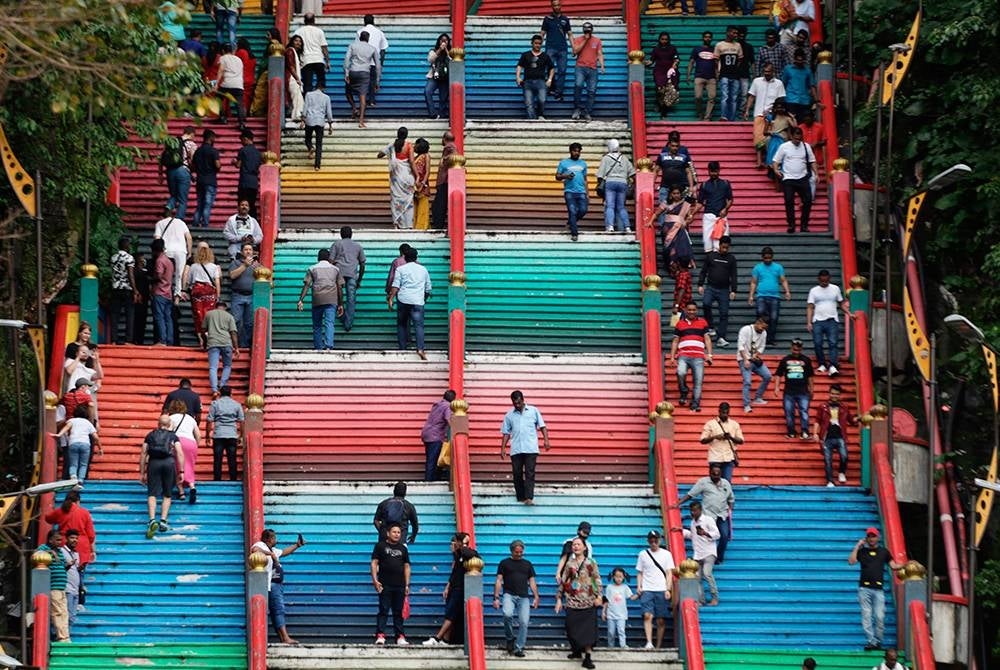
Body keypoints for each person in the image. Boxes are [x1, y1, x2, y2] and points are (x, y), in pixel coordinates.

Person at [847, 528, 904, 651]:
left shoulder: (884, 552)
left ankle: (877, 641)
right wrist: (857, 546)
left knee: (879, 616)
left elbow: (893, 566)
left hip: (878, 589)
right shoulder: (862, 552)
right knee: (866, 615)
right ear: (866, 538)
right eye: (869, 536)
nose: (872, 539)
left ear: (878, 537)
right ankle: (871, 641)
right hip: (864, 588)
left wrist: (906, 565)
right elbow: (851, 561)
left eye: (874, 536)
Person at [423, 532, 479, 646]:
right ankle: (446, 640)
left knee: (451, 614)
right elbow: (454, 574)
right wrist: (447, 587)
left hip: (461, 589)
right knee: (450, 613)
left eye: (454, 542)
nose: (451, 545)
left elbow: (472, 554)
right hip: (454, 588)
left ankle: (437, 638)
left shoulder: (467, 554)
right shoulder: (457, 557)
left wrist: (462, 545)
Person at [250, 529, 305, 645]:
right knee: (278, 610)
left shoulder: (273, 550)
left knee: (277, 611)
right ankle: (285, 638)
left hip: (276, 586)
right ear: (268, 539)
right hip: (270, 585)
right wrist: (270, 555)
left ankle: (283, 638)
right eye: (274, 538)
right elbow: (255, 550)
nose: (276, 540)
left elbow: (285, 552)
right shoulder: (260, 545)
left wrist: (297, 545)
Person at [556, 537, 602, 669]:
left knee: (588, 632)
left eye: (578, 544)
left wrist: (599, 596)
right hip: (572, 601)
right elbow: (564, 582)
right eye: (574, 545)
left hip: (588, 602)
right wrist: (559, 599)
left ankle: (587, 657)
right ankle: (576, 651)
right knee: (571, 628)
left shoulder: (591, 562)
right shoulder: (569, 564)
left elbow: (597, 579)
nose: (575, 547)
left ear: (584, 547)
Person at [674, 464, 735, 563]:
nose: (716, 476)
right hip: (708, 515)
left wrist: (730, 510)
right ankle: (704, 557)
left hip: (722, 515)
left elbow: (731, 499)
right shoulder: (703, 482)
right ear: (709, 473)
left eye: (718, 474)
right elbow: (691, 494)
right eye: (714, 474)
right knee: (705, 536)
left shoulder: (726, 483)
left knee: (724, 536)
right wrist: (678, 503)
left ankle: (719, 558)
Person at [500, 390, 551, 505]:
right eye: (514, 403)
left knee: (530, 473)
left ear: (523, 400)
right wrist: (503, 448)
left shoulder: (533, 411)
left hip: (530, 448)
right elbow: (506, 433)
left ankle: (529, 498)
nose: (517, 405)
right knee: (517, 473)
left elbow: (542, 426)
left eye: (518, 402)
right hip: (516, 449)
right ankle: (520, 496)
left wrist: (546, 440)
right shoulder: (509, 415)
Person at [140, 414, 185, 538]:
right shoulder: (173, 436)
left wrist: (142, 472)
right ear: (169, 424)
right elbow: (180, 453)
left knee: (152, 493)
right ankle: (163, 520)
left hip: (153, 463)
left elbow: (143, 453)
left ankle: (152, 519)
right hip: (169, 463)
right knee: (167, 493)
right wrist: (181, 471)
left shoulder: (150, 435)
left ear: (158, 424)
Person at [494, 539, 540, 657]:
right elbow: (499, 580)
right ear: (511, 551)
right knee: (507, 614)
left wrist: (536, 596)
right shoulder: (504, 563)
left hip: (524, 597)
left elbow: (532, 581)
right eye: (516, 552)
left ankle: (519, 647)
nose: (519, 554)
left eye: (521, 552)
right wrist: (496, 597)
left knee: (524, 622)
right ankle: (510, 639)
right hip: (509, 594)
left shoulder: (527, 564)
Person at [43, 491, 96, 587]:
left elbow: (48, 518)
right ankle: (78, 596)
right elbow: (91, 535)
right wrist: (89, 546)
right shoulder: (84, 513)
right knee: (79, 576)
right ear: (78, 501)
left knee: (64, 573)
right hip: (82, 548)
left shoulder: (60, 511)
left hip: (64, 546)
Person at [388, 246, 431, 360]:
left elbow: (396, 285)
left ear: (405, 258)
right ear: (416, 258)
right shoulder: (423, 269)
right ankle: (420, 349)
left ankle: (402, 349)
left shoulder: (401, 269)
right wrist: (423, 299)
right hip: (417, 301)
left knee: (402, 324)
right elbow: (428, 288)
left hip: (403, 300)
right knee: (419, 326)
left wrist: (391, 299)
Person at [669, 301, 714, 412]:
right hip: (683, 355)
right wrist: (672, 357)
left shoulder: (703, 322)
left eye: (694, 310)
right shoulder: (680, 324)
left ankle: (695, 403)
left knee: (698, 381)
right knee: (680, 373)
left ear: (697, 310)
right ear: (685, 310)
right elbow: (675, 341)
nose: (691, 312)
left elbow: (707, 339)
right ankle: (684, 391)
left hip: (698, 356)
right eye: (689, 310)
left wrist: (709, 355)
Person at [297, 249, 345, 351]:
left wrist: (301, 299)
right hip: (331, 299)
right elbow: (340, 287)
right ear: (328, 258)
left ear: (318, 258)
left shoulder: (312, 268)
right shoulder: (336, 269)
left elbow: (307, 285)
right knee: (329, 323)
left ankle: (318, 347)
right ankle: (328, 346)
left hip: (317, 299)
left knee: (317, 325)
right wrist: (341, 304)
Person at [371, 523, 411, 645]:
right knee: (383, 610)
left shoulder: (403, 549)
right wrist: (375, 580)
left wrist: (407, 584)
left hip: (399, 585)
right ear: (388, 533)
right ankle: (380, 635)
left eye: (399, 532)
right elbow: (374, 563)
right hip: (385, 584)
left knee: (398, 612)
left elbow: (407, 566)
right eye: (394, 532)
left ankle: (400, 636)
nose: (397, 534)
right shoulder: (380, 546)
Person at [634, 529, 673, 650]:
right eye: (651, 540)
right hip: (647, 589)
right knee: (647, 615)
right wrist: (639, 586)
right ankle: (649, 642)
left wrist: (668, 589)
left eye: (655, 540)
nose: (653, 543)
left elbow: (669, 573)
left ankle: (658, 645)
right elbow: (640, 572)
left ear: (659, 540)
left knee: (660, 619)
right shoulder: (643, 554)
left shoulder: (666, 554)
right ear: (648, 541)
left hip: (661, 589)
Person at [807, 269, 851, 375]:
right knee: (817, 343)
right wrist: (808, 322)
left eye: (826, 281)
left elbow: (841, 304)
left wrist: (849, 313)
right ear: (818, 279)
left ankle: (833, 365)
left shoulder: (835, 289)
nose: (824, 283)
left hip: (832, 320)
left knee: (833, 343)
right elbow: (810, 307)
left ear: (829, 279)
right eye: (822, 281)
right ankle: (822, 363)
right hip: (818, 320)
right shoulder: (814, 291)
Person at [773, 126, 816, 234]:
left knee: (808, 201)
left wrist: (816, 173)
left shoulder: (806, 147)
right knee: (788, 201)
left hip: (803, 178)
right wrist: (776, 170)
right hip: (788, 179)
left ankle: (804, 225)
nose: (797, 140)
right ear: (791, 136)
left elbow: (812, 161)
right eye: (795, 138)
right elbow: (776, 161)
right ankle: (791, 224)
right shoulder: (784, 147)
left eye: (799, 139)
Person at [813, 384, 857, 487]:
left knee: (844, 456)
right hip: (827, 436)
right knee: (828, 460)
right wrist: (815, 433)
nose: (834, 396)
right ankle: (830, 480)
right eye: (832, 393)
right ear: (829, 393)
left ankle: (842, 471)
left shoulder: (844, 407)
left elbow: (851, 420)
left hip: (840, 436)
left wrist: (859, 419)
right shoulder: (822, 407)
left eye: (836, 394)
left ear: (839, 395)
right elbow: (817, 421)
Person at [698, 233, 738, 346]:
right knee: (706, 304)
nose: (725, 249)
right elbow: (704, 271)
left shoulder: (731, 259)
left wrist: (734, 290)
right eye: (723, 247)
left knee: (724, 313)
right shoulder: (711, 256)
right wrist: (700, 284)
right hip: (711, 287)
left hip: (724, 290)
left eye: (727, 247)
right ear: (719, 245)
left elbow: (734, 275)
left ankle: (721, 337)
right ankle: (710, 327)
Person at [678, 501, 721, 605]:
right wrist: (680, 530)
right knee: (696, 578)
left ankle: (714, 597)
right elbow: (692, 535)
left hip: (709, 552)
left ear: (700, 510)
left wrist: (705, 533)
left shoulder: (708, 520)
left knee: (707, 574)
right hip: (698, 554)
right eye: (691, 511)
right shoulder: (693, 523)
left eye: (695, 510)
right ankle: (700, 600)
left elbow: (717, 534)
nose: (693, 513)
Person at [744, 63, 786, 168]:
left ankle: (769, 160)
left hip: (772, 115)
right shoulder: (756, 82)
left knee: (770, 138)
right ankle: (759, 162)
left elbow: (781, 99)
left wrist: (774, 110)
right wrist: (747, 110)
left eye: (769, 72)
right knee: (758, 137)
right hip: (758, 114)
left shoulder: (779, 83)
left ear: (773, 72)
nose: (766, 74)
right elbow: (751, 96)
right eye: (765, 72)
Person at [748, 246, 791, 346]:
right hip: (761, 295)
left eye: (769, 258)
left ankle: (770, 339)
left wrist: (787, 291)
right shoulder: (757, 268)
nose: (768, 260)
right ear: (762, 257)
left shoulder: (778, 267)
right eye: (765, 258)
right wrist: (751, 295)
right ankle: (758, 337)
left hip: (775, 296)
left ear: (772, 257)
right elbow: (754, 282)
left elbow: (783, 280)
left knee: (774, 318)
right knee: (760, 313)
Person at [183, 241, 222, 349]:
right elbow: (217, 282)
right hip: (209, 292)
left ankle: (201, 339)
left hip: (197, 292)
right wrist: (218, 296)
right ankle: (209, 335)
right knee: (209, 315)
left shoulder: (194, 266)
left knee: (198, 315)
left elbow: (189, 281)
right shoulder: (214, 267)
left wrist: (184, 290)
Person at [329, 226, 367, 333]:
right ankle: (348, 324)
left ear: (341, 234)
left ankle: (341, 316)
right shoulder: (358, 246)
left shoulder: (336, 244)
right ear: (351, 234)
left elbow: (330, 261)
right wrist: (359, 279)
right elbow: (363, 264)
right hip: (352, 274)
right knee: (351, 299)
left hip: (338, 273)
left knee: (337, 297)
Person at [378, 128, 417, 228]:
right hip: (406, 176)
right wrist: (417, 176)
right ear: (406, 135)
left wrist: (388, 150)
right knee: (408, 201)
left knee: (396, 200)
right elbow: (412, 162)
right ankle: (408, 225)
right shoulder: (409, 146)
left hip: (396, 178)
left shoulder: (392, 145)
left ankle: (397, 224)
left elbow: (379, 155)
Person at [776, 338, 815, 439]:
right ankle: (791, 432)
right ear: (791, 348)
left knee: (804, 411)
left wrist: (811, 389)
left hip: (803, 391)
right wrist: (776, 387)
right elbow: (778, 374)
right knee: (789, 412)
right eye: (794, 349)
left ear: (801, 349)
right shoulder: (785, 360)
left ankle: (805, 431)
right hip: (789, 392)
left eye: (798, 350)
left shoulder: (806, 360)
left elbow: (810, 376)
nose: (795, 352)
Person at [158, 125, 197, 222]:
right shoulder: (191, 144)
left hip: (170, 171)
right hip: (183, 171)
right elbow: (192, 159)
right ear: (192, 134)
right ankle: (179, 221)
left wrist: (160, 174)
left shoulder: (173, 142)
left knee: (173, 194)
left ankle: (169, 206)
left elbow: (162, 157)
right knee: (183, 199)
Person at [153, 205, 192, 300]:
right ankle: (177, 296)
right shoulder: (181, 223)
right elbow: (189, 237)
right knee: (179, 273)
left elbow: (157, 238)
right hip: (180, 250)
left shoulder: (160, 223)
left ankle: (166, 292)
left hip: (166, 250)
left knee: (167, 272)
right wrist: (189, 251)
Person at [596, 139, 634, 233]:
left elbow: (600, 175)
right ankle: (627, 227)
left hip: (610, 183)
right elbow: (632, 173)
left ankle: (610, 226)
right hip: (622, 183)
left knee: (610, 206)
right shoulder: (624, 158)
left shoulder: (606, 158)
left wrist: (600, 187)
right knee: (621, 207)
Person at [206, 385, 244, 481]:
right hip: (232, 434)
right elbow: (241, 421)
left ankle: (217, 480)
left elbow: (209, 421)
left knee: (217, 459)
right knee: (232, 459)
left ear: (220, 394)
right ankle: (233, 480)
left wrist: (207, 436)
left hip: (218, 435)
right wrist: (241, 436)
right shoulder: (237, 405)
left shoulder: (215, 404)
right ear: (231, 394)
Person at [54, 405, 101, 483]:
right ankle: (80, 479)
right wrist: (100, 448)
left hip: (73, 443)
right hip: (85, 444)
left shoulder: (72, 420)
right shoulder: (88, 423)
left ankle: (73, 477)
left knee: (73, 463)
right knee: (83, 464)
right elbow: (96, 437)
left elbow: (66, 427)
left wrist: (59, 434)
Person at [695, 162, 733, 255]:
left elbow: (730, 200)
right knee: (707, 241)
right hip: (708, 216)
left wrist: (725, 209)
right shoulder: (704, 185)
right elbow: (700, 203)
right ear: (708, 171)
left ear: (719, 171)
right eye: (712, 172)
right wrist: (692, 214)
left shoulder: (725, 184)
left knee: (722, 241)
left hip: (721, 217)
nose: (714, 174)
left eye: (715, 171)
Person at [38, 529, 70, 642]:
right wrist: (50, 552)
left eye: (61, 540)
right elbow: (36, 555)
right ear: (50, 540)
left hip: (62, 586)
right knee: (57, 612)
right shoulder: (44, 548)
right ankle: (61, 637)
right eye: (57, 540)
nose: (60, 542)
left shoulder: (60, 551)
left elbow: (60, 566)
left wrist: (68, 565)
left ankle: (66, 636)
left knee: (64, 612)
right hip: (53, 586)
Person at [344, 30, 381, 128]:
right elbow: (378, 65)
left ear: (360, 37)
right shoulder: (372, 48)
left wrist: (346, 74)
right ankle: (361, 121)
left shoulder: (352, 46)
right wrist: (377, 80)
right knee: (363, 97)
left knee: (348, 92)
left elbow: (347, 59)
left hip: (353, 71)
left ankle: (354, 108)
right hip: (365, 73)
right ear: (368, 39)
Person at [700, 402, 743, 482]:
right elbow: (702, 440)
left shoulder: (734, 424)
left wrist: (730, 437)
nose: (725, 415)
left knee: (727, 482)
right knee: (714, 482)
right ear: (719, 411)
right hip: (715, 457)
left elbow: (741, 441)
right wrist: (715, 437)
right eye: (723, 412)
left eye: (727, 413)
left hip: (729, 458)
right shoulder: (710, 424)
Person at [167, 398, 201, 502]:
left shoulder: (171, 418)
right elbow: (198, 435)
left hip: (178, 442)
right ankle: (192, 486)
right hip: (191, 443)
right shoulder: (191, 418)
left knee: (177, 467)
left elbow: (168, 433)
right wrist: (196, 445)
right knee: (189, 466)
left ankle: (181, 492)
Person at [737, 316, 772, 413]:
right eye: (762, 327)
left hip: (755, 359)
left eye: (765, 328)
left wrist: (756, 355)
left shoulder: (764, 333)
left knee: (767, 376)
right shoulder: (746, 330)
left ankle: (758, 397)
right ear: (758, 322)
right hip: (743, 358)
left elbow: (761, 347)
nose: (762, 330)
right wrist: (745, 359)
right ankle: (746, 404)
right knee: (747, 381)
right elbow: (740, 346)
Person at [203, 302, 239, 397]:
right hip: (226, 343)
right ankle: (222, 386)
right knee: (227, 366)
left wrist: (204, 343)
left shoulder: (209, 314)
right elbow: (233, 333)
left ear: (216, 307)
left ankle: (214, 390)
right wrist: (236, 348)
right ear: (225, 308)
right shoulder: (229, 316)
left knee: (213, 367)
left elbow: (203, 330)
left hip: (213, 342)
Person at [516, 35, 555, 120]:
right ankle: (532, 120)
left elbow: (551, 68)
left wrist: (550, 79)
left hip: (540, 82)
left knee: (542, 99)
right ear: (532, 43)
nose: (538, 45)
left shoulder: (545, 56)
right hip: (527, 82)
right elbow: (519, 66)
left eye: (539, 44)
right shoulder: (525, 55)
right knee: (529, 103)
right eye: (536, 43)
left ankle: (540, 115)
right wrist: (518, 77)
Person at [571, 22, 604, 122]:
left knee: (592, 91)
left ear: (592, 30)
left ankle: (587, 112)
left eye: (589, 29)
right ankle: (577, 109)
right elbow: (575, 51)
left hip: (593, 69)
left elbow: (599, 53)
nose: (587, 31)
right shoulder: (578, 39)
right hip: (580, 67)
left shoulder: (597, 40)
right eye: (585, 29)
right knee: (578, 85)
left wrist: (602, 65)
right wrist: (585, 40)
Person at [540, 0, 572, 101]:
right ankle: (552, 88)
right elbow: (542, 34)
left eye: (558, 5)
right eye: (554, 5)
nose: (557, 7)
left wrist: (574, 48)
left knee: (562, 71)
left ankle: (558, 93)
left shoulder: (565, 19)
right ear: (552, 6)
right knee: (549, 69)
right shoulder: (547, 19)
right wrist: (537, 48)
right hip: (550, 48)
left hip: (563, 49)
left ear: (561, 5)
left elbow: (570, 34)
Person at [108, 236, 138, 345]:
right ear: (127, 246)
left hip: (115, 288)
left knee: (115, 315)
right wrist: (135, 290)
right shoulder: (129, 258)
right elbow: (130, 275)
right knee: (129, 314)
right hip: (127, 289)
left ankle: (114, 340)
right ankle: (128, 340)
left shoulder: (113, 257)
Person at [229, 242, 260, 349]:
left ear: (253, 252)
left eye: (250, 250)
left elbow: (266, 278)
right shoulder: (236, 263)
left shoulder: (257, 265)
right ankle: (235, 344)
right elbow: (232, 276)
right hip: (238, 295)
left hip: (251, 296)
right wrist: (245, 265)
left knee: (249, 323)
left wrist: (257, 270)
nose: (248, 251)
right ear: (242, 252)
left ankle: (245, 345)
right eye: (246, 249)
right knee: (235, 321)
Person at [654, 131, 696, 210]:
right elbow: (656, 170)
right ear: (669, 143)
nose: (675, 148)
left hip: (680, 186)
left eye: (676, 145)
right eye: (673, 145)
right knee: (662, 208)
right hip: (665, 186)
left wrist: (692, 185)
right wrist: (651, 183)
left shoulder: (684, 152)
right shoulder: (663, 153)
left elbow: (690, 169)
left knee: (678, 209)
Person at [556, 142, 588, 241]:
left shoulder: (583, 163)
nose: (576, 153)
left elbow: (585, 179)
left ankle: (571, 222)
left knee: (583, 210)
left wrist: (587, 193)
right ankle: (574, 233)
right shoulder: (563, 163)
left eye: (578, 151)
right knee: (572, 211)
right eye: (574, 151)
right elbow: (557, 176)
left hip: (581, 192)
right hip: (569, 191)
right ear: (570, 151)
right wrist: (566, 176)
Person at [421, 390, 455, 481]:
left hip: (427, 433)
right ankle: (429, 482)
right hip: (435, 436)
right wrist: (456, 430)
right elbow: (448, 419)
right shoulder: (448, 406)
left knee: (431, 458)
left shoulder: (437, 405)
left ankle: (433, 479)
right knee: (433, 460)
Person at [191, 129, 222, 228]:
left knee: (200, 203)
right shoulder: (213, 151)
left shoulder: (198, 151)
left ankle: (195, 223)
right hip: (210, 181)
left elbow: (193, 166)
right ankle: (205, 225)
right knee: (207, 204)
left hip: (200, 181)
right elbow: (217, 165)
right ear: (211, 138)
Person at [358, 15, 388, 108]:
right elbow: (383, 50)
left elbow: (357, 47)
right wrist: (381, 63)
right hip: (374, 62)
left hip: (363, 62)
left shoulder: (360, 32)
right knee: (372, 81)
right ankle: (371, 101)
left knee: (363, 82)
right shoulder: (379, 32)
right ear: (373, 21)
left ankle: (362, 103)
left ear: (364, 22)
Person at [647, 32, 680, 119]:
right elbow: (651, 61)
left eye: (666, 39)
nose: (664, 41)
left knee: (667, 91)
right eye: (662, 39)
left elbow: (676, 60)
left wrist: (673, 67)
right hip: (659, 72)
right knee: (660, 90)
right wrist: (640, 62)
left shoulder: (672, 49)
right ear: (659, 39)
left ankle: (663, 111)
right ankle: (658, 103)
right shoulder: (656, 49)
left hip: (669, 72)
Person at [714, 26, 744, 122]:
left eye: (736, 33)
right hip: (724, 74)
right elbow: (716, 61)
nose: (735, 35)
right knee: (725, 96)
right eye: (733, 33)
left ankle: (732, 118)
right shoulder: (719, 45)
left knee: (734, 97)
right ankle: (724, 116)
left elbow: (740, 60)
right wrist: (717, 72)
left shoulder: (738, 45)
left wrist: (736, 69)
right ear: (728, 33)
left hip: (735, 74)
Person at [764, 98, 797, 184]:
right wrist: (771, 133)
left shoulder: (787, 118)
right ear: (775, 108)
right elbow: (765, 132)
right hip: (773, 141)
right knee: (773, 160)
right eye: (778, 107)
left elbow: (795, 127)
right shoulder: (770, 118)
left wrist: (792, 117)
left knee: (783, 162)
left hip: (784, 141)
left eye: (782, 107)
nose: (780, 109)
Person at [294, 14, 329, 92]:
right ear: (314, 21)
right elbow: (324, 47)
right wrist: (327, 61)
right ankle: (320, 99)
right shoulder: (319, 31)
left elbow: (294, 46)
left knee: (307, 84)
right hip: (319, 59)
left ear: (304, 21)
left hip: (306, 60)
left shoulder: (298, 31)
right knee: (321, 83)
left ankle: (307, 101)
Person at [150, 239, 175, 346]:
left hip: (159, 291)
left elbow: (159, 275)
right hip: (168, 292)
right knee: (168, 318)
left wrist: (151, 279)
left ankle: (162, 340)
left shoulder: (159, 261)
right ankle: (169, 340)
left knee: (159, 317)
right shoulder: (169, 261)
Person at [214, 42, 246, 127]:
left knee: (218, 98)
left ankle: (222, 117)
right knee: (239, 104)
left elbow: (221, 70)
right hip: (238, 84)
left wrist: (217, 83)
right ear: (233, 51)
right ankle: (241, 123)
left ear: (223, 51)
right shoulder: (239, 59)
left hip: (227, 83)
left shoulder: (223, 58)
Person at [303, 85, 334, 171]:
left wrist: (303, 120)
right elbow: (329, 112)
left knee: (307, 139)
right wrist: (330, 125)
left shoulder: (308, 95)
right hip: (320, 122)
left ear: (315, 87)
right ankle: (317, 166)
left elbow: (305, 108)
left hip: (309, 120)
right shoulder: (326, 97)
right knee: (319, 144)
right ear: (323, 88)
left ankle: (310, 147)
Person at [601, 567, 634, 649]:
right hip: (611, 614)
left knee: (621, 631)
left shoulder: (625, 587)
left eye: (620, 577)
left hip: (621, 615)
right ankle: (610, 646)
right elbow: (606, 600)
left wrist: (639, 594)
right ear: (613, 577)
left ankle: (623, 645)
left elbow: (632, 597)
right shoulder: (609, 587)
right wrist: (603, 612)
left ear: (624, 577)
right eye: (617, 576)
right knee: (611, 632)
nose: (618, 579)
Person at [687, 31, 717, 121]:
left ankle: (707, 117)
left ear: (711, 38)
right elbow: (691, 62)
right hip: (699, 76)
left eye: (709, 37)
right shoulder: (697, 49)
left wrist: (718, 74)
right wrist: (688, 75)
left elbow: (717, 64)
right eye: (706, 37)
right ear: (703, 38)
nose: (707, 38)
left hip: (711, 78)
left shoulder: (715, 49)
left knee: (712, 97)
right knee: (698, 96)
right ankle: (700, 113)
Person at [781, 48, 816, 121]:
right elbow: (783, 83)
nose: (800, 62)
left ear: (804, 60)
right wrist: (782, 98)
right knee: (791, 122)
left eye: (801, 60)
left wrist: (816, 100)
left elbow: (812, 85)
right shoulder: (788, 69)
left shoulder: (808, 71)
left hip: (804, 100)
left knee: (803, 122)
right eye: (798, 60)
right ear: (794, 59)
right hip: (790, 99)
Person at [432, 131, 457, 229]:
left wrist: (445, 159)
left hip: (445, 181)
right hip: (446, 181)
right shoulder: (452, 147)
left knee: (438, 206)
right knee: (439, 205)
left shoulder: (449, 148)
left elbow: (452, 157)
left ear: (444, 139)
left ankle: (438, 226)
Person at [234, 129, 262, 215]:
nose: (241, 142)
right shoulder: (258, 153)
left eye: (242, 140)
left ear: (246, 139)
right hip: (254, 182)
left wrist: (234, 161)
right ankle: (253, 222)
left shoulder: (243, 150)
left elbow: (238, 164)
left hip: (244, 181)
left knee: (242, 203)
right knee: (251, 204)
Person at [425, 33, 451, 119]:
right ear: (438, 41)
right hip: (434, 76)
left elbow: (453, 62)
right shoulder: (433, 51)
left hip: (445, 78)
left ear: (448, 42)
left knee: (443, 98)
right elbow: (430, 59)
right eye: (442, 40)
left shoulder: (451, 51)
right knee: (427, 91)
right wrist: (440, 49)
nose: (443, 42)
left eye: (445, 40)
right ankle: (433, 114)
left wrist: (447, 51)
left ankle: (441, 115)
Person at [60, 529, 81, 627]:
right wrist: (67, 566)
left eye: (76, 538)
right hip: (67, 589)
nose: (75, 540)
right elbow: (58, 568)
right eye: (72, 538)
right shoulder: (61, 552)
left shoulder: (76, 553)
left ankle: (66, 638)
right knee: (66, 616)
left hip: (75, 590)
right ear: (66, 539)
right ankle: (61, 638)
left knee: (72, 617)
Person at [412, 138, 433, 231]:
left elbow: (427, 171)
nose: (414, 146)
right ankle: (415, 226)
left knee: (423, 208)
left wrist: (423, 183)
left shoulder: (426, 156)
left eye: (415, 144)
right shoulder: (415, 157)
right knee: (415, 208)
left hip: (423, 185)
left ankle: (422, 227)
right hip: (414, 185)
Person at [285, 35, 305, 125]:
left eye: (300, 41)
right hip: (291, 77)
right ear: (292, 41)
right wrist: (297, 78)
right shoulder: (290, 51)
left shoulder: (295, 53)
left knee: (298, 96)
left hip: (293, 77)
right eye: (296, 41)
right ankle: (296, 115)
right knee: (296, 96)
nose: (298, 43)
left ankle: (297, 114)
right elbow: (291, 66)